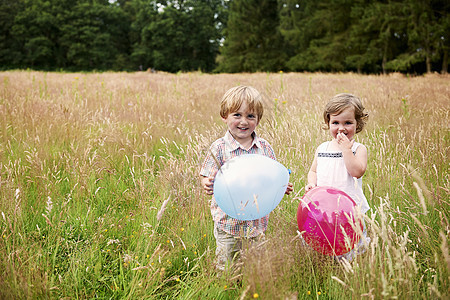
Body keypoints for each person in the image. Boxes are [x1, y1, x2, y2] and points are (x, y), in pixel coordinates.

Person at [200, 85, 293, 272]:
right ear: (224, 116)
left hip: (256, 224)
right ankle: (227, 288)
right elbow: (205, 174)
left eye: (250, 116)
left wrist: (281, 186)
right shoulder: (219, 148)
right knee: (227, 266)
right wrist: (207, 183)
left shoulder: (264, 148)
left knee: (254, 265)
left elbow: (270, 177)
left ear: (258, 119)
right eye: (237, 115)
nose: (244, 121)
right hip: (228, 223)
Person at [305, 93, 370, 261]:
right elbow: (313, 171)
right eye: (335, 123)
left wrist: (346, 150)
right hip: (326, 211)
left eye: (348, 123)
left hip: (351, 212)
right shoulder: (322, 148)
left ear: (358, 124)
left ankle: (351, 271)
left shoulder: (358, 149)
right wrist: (312, 184)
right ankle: (327, 267)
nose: (341, 128)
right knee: (325, 245)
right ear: (328, 123)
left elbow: (357, 171)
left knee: (352, 250)